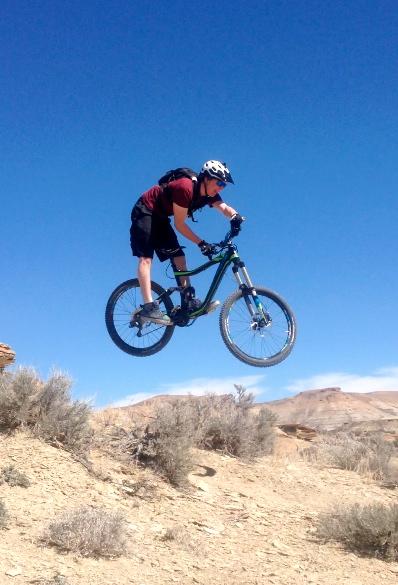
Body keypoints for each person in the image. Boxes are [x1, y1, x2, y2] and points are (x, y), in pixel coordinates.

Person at [130, 160, 244, 323]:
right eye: (219, 182)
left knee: (179, 258)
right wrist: (201, 243)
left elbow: (224, 207)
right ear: (207, 178)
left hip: (161, 217)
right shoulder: (185, 187)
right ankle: (149, 307)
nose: (221, 187)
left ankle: (188, 302)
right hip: (145, 210)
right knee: (146, 259)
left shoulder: (209, 194)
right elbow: (180, 225)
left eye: (223, 185)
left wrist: (235, 216)